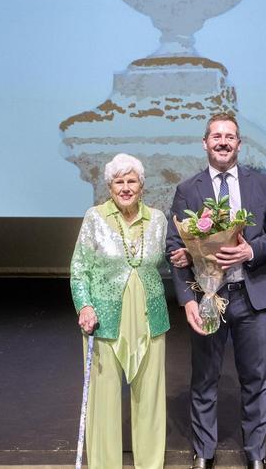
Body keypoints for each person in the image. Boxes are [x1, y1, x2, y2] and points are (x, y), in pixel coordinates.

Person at [168, 113, 266, 469]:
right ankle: (204, 452)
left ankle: (255, 452)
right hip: (209, 298)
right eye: (216, 136)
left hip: (252, 297)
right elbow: (175, 251)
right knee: (205, 377)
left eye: (230, 136)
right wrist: (187, 300)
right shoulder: (188, 190)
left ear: (239, 144)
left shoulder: (262, 184)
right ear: (205, 143)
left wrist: (250, 251)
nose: (223, 141)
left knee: (254, 378)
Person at [70, 153, 170, 469]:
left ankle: (150, 464)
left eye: (131, 181)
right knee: (103, 402)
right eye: (119, 182)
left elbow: (166, 262)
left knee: (150, 398)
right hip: (104, 318)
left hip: (150, 316)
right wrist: (84, 305)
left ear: (142, 186)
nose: (125, 187)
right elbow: (79, 267)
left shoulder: (158, 219)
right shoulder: (95, 217)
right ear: (109, 187)